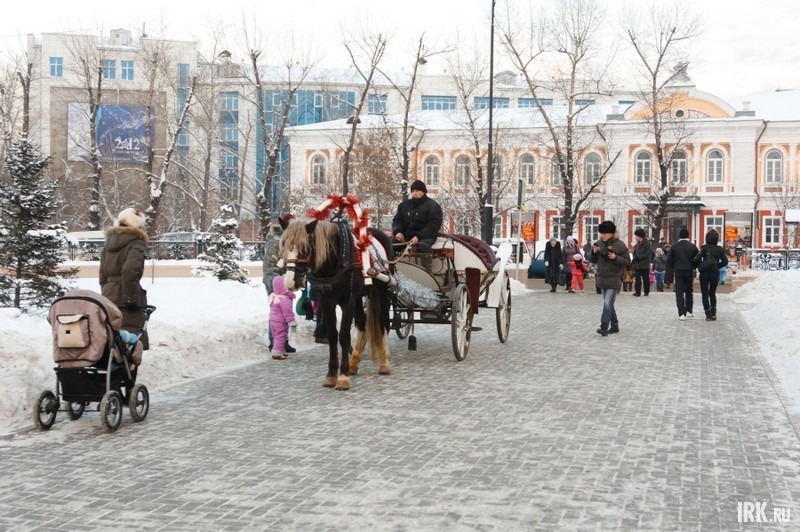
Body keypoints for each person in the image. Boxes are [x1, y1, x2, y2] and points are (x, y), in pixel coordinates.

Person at [99, 207, 150, 349]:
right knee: (130, 331)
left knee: (111, 330)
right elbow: (129, 271)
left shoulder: (108, 242)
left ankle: (112, 363)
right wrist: (131, 298)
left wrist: (106, 292)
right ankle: (127, 367)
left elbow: (102, 273)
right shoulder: (136, 243)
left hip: (109, 292)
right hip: (126, 292)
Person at [589, 221, 631, 336]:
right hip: (602, 278)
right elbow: (591, 260)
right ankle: (615, 325)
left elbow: (627, 261)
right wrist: (593, 252)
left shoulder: (620, 245)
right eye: (601, 233)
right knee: (609, 304)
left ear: (611, 233)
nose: (603, 236)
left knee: (607, 303)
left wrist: (615, 257)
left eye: (605, 233)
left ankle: (604, 327)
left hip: (614, 278)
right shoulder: (599, 244)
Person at [262, 214, 296, 354]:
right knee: (276, 312)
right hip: (275, 281)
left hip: (282, 280)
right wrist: (275, 284)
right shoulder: (277, 241)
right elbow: (272, 265)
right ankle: (273, 342)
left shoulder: (285, 240)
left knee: (283, 312)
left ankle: (282, 342)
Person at [392, 180, 443, 258]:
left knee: (423, 247)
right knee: (391, 244)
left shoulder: (433, 206)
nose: (414, 193)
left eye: (417, 190)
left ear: (423, 192)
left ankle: (427, 268)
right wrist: (398, 232)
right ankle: (391, 268)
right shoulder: (403, 205)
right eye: (413, 191)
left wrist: (418, 237)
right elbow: (397, 220)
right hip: (406, 236)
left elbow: (433, 225)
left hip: (426, 236)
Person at [666, 228, 699, 320]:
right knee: (689, 290)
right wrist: (693, 267)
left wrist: (675, 267)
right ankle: (689, 310)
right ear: (688, 235)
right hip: (689, 270)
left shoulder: (674, 247)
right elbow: (697, 259)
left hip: (678, 270)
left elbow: (669, 260)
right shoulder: (692, 246)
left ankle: (681, 313)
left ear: (679, 236)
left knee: (679, 291)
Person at [696, 229, 728, 321]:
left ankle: (708, 313)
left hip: (705, 273)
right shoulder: (720, 249)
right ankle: (714, 312)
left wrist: (701, 265)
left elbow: (697, 258)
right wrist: (717, 266)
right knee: (712, 293)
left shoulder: (704, 247)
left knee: (705, 293)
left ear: (707, 238)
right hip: (715, 273)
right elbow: (725, 261)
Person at [268, 276, 298, 360]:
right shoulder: (285, 299)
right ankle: (277, 354)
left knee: (276, 337)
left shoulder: (274, 296)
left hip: (273, 321)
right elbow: (288, 312)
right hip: (280, 322)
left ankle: (280, 351)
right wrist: (292, 322)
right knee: (281, 337)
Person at [631, 228, 652, 296]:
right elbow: (634, 253)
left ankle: (646, 291)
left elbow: (647, 254)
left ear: (640, 236)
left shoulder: (647, 244)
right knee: (637, 279)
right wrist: (634, 259)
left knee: (645, 278)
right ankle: (637, 292)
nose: (636, 237)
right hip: (637, 264)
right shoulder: (636, 245)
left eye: (637, 236)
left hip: (644, 265)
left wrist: (639, 257)